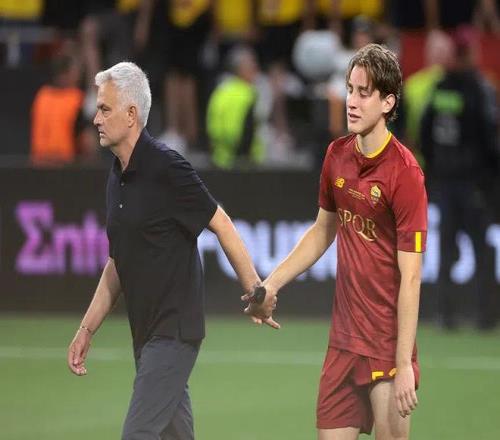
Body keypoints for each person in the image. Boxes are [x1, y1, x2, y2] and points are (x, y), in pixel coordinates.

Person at [66, 61, 278, 440]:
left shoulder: (167, 167)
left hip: (174, 332)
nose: (96, 118)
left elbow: (221, 223)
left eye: (104, 109)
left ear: (131, 114)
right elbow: (117, 261)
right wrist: (86, 329)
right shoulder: (117, 176)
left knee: (138, 434)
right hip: (145, 334)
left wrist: (255, 291)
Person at [245, 44, 428, 439]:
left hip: (386, 344)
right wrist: (270, 284)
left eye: (364, 93)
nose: (352, 101)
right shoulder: (336, 155)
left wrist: (403, 365)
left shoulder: (405, 174)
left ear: (387, 102)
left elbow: (411, 278)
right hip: (343, 342)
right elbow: (322, 231)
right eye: (349, 90)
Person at [420, 25, 499, 330]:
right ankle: (485, 316)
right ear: (469, 53)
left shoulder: (439, 88)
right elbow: (490, 136)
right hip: (474, 182)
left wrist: (435, 169)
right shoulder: (479, 88)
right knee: (482, 250)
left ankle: (445, 315)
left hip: (445, 182)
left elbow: (425, 133)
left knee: (446, 250)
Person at [207, 45, 264, 169]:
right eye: (252, 66)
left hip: (220, 159)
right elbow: (243, 131)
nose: (256, 70)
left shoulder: (221, 90)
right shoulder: (246, 93)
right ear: (240, 69)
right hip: (242, 162)